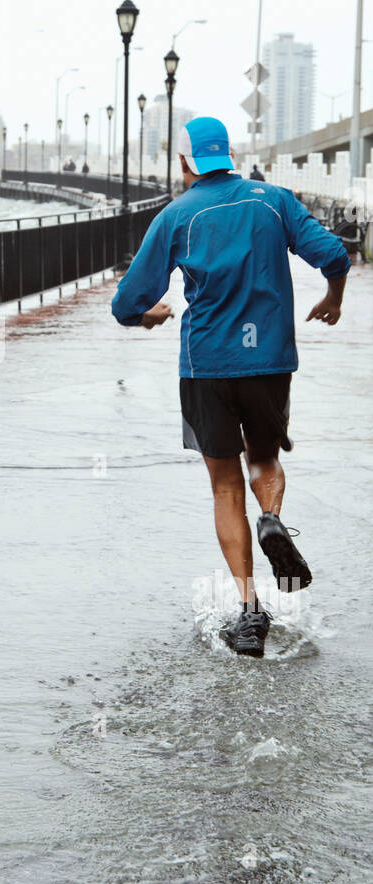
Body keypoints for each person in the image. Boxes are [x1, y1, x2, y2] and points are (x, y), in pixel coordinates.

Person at [111, 116, 350, 658]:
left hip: (207, 365)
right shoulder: (275, 201)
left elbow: (126, 303)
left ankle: (248, 611)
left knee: (224, 487)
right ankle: (273, 520)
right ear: (229, 155)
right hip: (268, 361)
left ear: (184, 162)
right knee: (263, 460)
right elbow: (335, 255)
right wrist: (332, 298)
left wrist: (150, 317)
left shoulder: (176, 216)